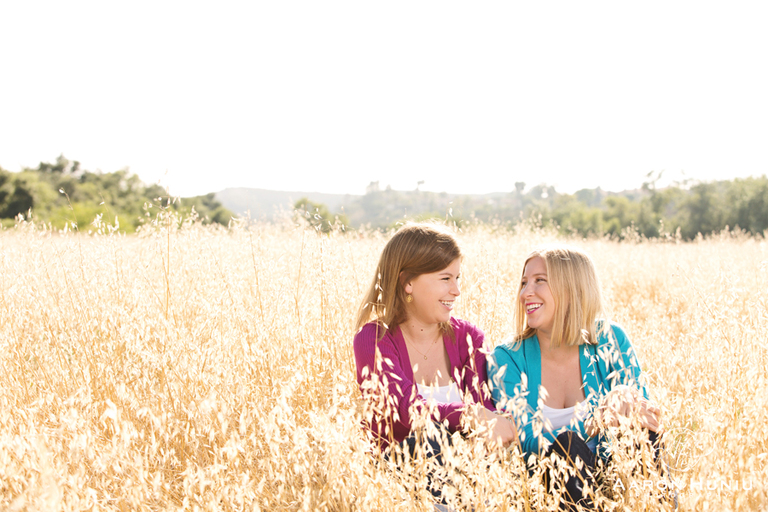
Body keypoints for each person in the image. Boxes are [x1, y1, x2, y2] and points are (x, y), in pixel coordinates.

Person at [487, 245, 665, 509]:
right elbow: (523, 438)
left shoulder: (611, 340)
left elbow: (648, 416)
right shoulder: (507, 358)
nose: (526, 292)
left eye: (540, 281)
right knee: (568, 447)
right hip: (547, 489)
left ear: (572, 289)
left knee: (642, 434)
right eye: (524, 283)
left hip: (612, 479)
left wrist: (627, 402)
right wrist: (598, 421)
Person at [353, 222, 517, 498]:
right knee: (428, 440)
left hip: (466, 477)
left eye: (457, 278)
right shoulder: (374, 339)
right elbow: (406, 411)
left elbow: (487, 415)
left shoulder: (470, 337)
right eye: (445, 279)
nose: (456, 291)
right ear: (407, 282)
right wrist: (468, 414)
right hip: (400, 484)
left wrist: (482, 421)